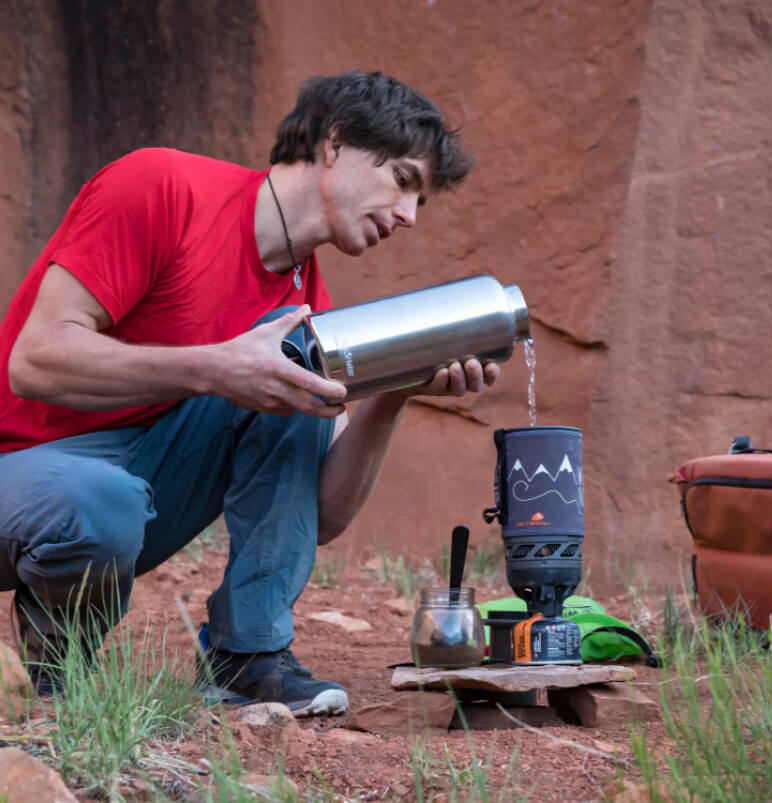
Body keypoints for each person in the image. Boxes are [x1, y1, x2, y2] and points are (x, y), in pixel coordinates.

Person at [0, 70, 499, 716]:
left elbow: (324, 512)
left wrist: (394, 393)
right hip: (22, 472)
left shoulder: (302, 309)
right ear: (335, 141)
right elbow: (32, 361)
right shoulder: (163, 188)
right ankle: (56, 666)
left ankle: (248, 654)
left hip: (125, 494)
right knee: (106, 500)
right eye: (403, 180)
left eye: (419, 201)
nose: (407, 216)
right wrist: (216, 368)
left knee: (295, 356)